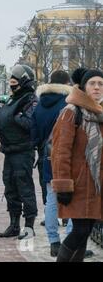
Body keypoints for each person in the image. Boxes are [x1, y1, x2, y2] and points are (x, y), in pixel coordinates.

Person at [52, 69, 103, 262]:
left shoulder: (100, 113)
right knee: (80, 231)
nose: (97, 87)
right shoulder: (71, 112)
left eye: (100, 83)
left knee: (85, 232)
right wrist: (63, 185)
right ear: (83, 87)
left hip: (96, 185)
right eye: (92, 83)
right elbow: (60, 152)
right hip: (78, 185)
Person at [31, 70, 73, 256]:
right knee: (74, 198)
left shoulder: (39, 106)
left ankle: (53, 242)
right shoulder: (69, 103)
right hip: (68, 156)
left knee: (51, 198)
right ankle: (72, 242)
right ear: (67, 82)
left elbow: (33, 136)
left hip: (46, 156)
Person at [0, 64, 38, 239]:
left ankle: (29, 227)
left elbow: (29, 124)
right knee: (10, 187)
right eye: (11, 81)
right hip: (9, 151)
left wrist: (16, 117)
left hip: (23, 151)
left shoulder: (31, 100)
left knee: (25, 188)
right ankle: (14, 225)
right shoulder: (13, 99)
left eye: (15, 81)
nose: (12, 84)